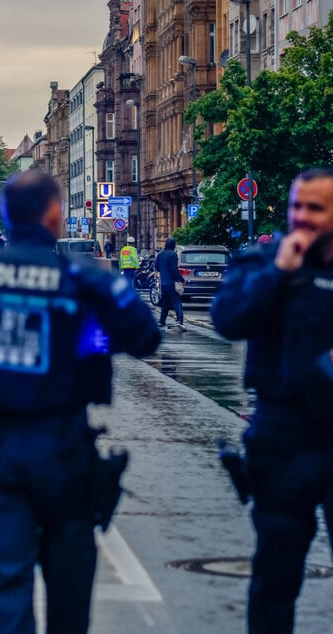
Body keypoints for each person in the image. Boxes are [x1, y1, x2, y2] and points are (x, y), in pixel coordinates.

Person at [0, 170, 160, 634]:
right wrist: (90, 339)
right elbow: (145, 336)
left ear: (6, 216)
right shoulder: (84, 275)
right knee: (70, 588)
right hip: (66, 447)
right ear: (55, 214)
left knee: (7, 585)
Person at [211, 167, 333, 634]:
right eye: (296, 207)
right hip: (284, 437)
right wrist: (281, 273)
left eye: (315, 209)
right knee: (275, 576)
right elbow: (229, 319)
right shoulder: (263, 262)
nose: (302, 218)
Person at [155, 237, 186, 331]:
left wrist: (164, 272)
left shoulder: (160, 254)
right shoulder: (173, 254)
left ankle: (161, 321)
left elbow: (157, 267)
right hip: (172, 283)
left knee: (165, 303)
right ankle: (179, 321)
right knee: (177, 302)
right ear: (173, 245)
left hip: (163, 283)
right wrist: (181, 279)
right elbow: (174, 269)